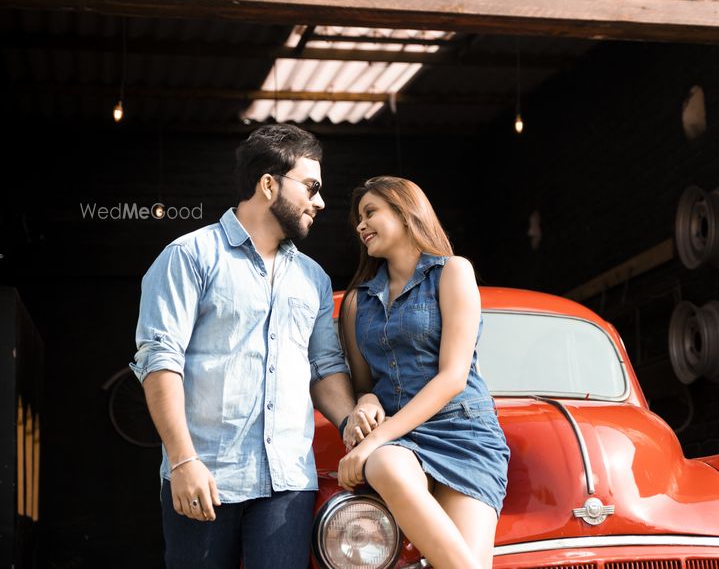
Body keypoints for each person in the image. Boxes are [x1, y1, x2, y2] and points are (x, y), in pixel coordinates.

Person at [132, 124, 380, 568]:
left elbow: (323, 367)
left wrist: (353, 426)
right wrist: (183, 459)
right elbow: (160, 362)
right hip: (204, 477)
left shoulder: (314, 279)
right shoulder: (189, 256)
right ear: (269, 184)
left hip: (287, 485)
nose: (320, 202)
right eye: (311, 187)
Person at [336, 175, 510, 569]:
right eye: (358, 220)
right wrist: (365, 401)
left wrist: (367, 443)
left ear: (404, 210)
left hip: (463, 430)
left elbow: (453, 377)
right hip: (401, 438)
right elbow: (365, 385)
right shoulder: (356, 303)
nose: (361, 226)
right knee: (383, 464)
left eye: (370, 213)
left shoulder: (452, 272)